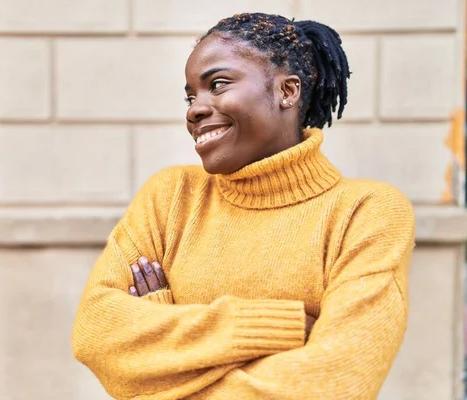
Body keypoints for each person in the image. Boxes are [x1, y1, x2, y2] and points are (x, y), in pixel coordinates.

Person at [72, 13, 415, 400]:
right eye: (190, 96)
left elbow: (336, 382)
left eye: (217, 85)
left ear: (287, 91)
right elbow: (94, 333)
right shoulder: (169, 198)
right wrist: (276, 327)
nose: (194, 110)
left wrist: (161, 350)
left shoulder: (365, 213)